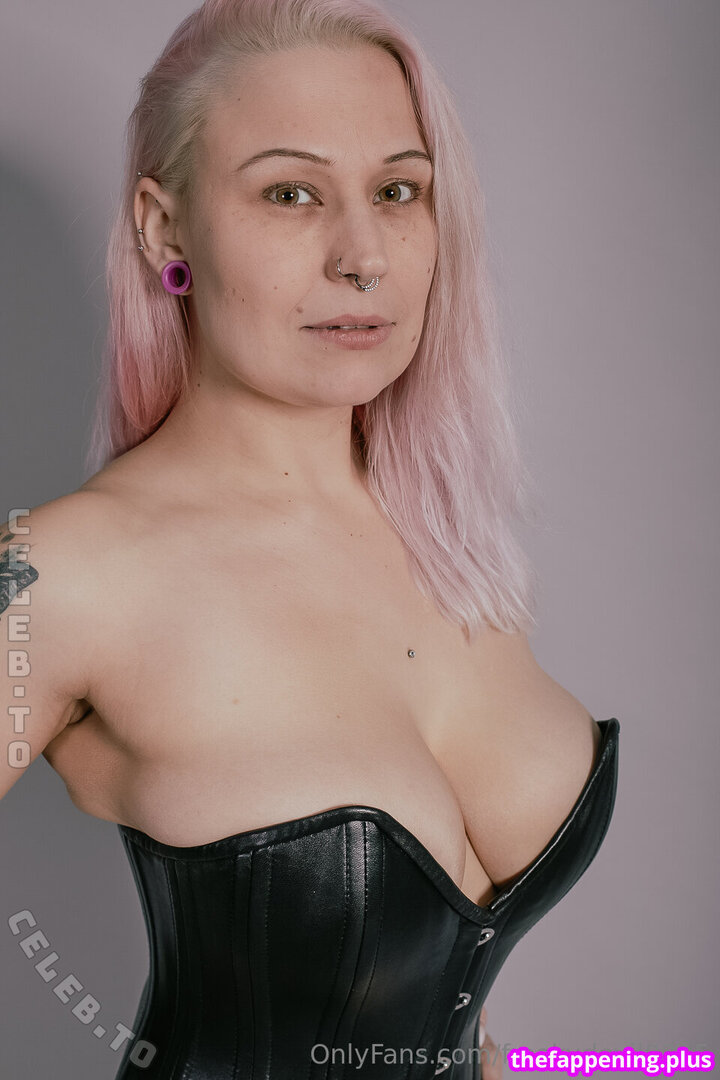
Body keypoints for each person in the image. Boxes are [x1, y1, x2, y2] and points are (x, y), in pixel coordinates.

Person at [0, 0, 619, 1076]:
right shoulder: (65, 576)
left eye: (398, 191)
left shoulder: (452, 549)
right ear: (164, 228)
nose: (363, 255)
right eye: (291, 193)